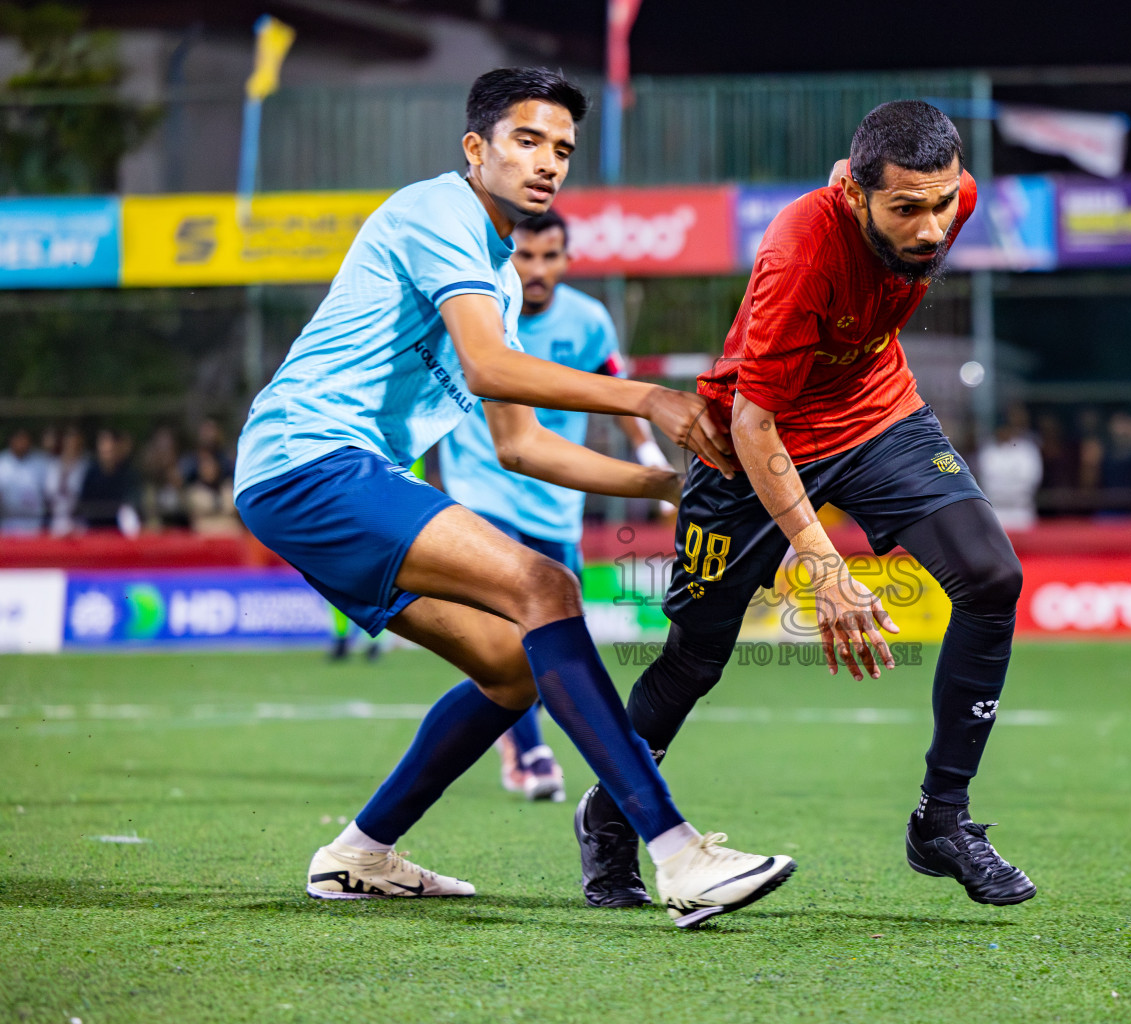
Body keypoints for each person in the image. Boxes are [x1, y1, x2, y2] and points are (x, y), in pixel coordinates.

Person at [231, 67, 794, 928]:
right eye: (527, 140)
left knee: (506, 669)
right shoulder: (438, 213)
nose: (547, 162)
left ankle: (358, 854)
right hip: (309, 460)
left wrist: (673, 486)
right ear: (476, 147)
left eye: (562, 149)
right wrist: (646, 396)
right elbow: (491, 368)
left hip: (327, 476)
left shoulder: (494, 277)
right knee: (547, 589)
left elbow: (520, 444)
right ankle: (680, 854)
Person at [572, 100, 1036, 911]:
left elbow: (916, 206)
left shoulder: (940, 198)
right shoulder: (799, 250)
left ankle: (943, 820)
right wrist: (822, 562)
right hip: (748, 439)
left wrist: (922, 205)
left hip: (875, 413)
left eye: (942, 203)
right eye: (906, 210)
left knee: (992, 578)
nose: (931, 230)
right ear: (857, 195)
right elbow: (754, 421)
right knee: (695, 657)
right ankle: (611, 816)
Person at [435, 208, 675, 802]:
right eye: (525, 256)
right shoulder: (477, 310)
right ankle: (528, 751)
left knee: (552, 637)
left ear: (567, 259)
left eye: (550, 257)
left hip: (555, 503)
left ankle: (528, 740)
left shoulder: (589, 321)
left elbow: (620, 399)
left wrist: (654, 464)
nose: (537, 269)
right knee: (507, 636)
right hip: (482, 492)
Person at [974, 405, 1042, 529]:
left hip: (1021, 511)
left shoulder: (1026, 450)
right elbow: (986, 481)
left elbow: (1031, 480)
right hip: (995, 510)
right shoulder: (988, 452)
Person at [77, 428, 141, 534]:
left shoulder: (128, 473)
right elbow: (84, 502)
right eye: (103, 444)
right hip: (93, 530)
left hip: (119, 532)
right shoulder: (91, 473)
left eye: (110, 445)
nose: (106, 449)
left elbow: (131, 505)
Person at [0, 428, 52, 535]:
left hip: (35, 524)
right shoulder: (2, 462)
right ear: (11, 441)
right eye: (18, 439)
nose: (22, 443)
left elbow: (49, 492)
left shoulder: (40, 462)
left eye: (25, 440)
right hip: (8, 523)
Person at [44, 425, 88, 535]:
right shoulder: (53, 465)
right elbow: (48, 494)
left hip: (79, 524)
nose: (71, 444)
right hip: (56, 522)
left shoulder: (86, 466)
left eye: (75, 441)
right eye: (68, 441)